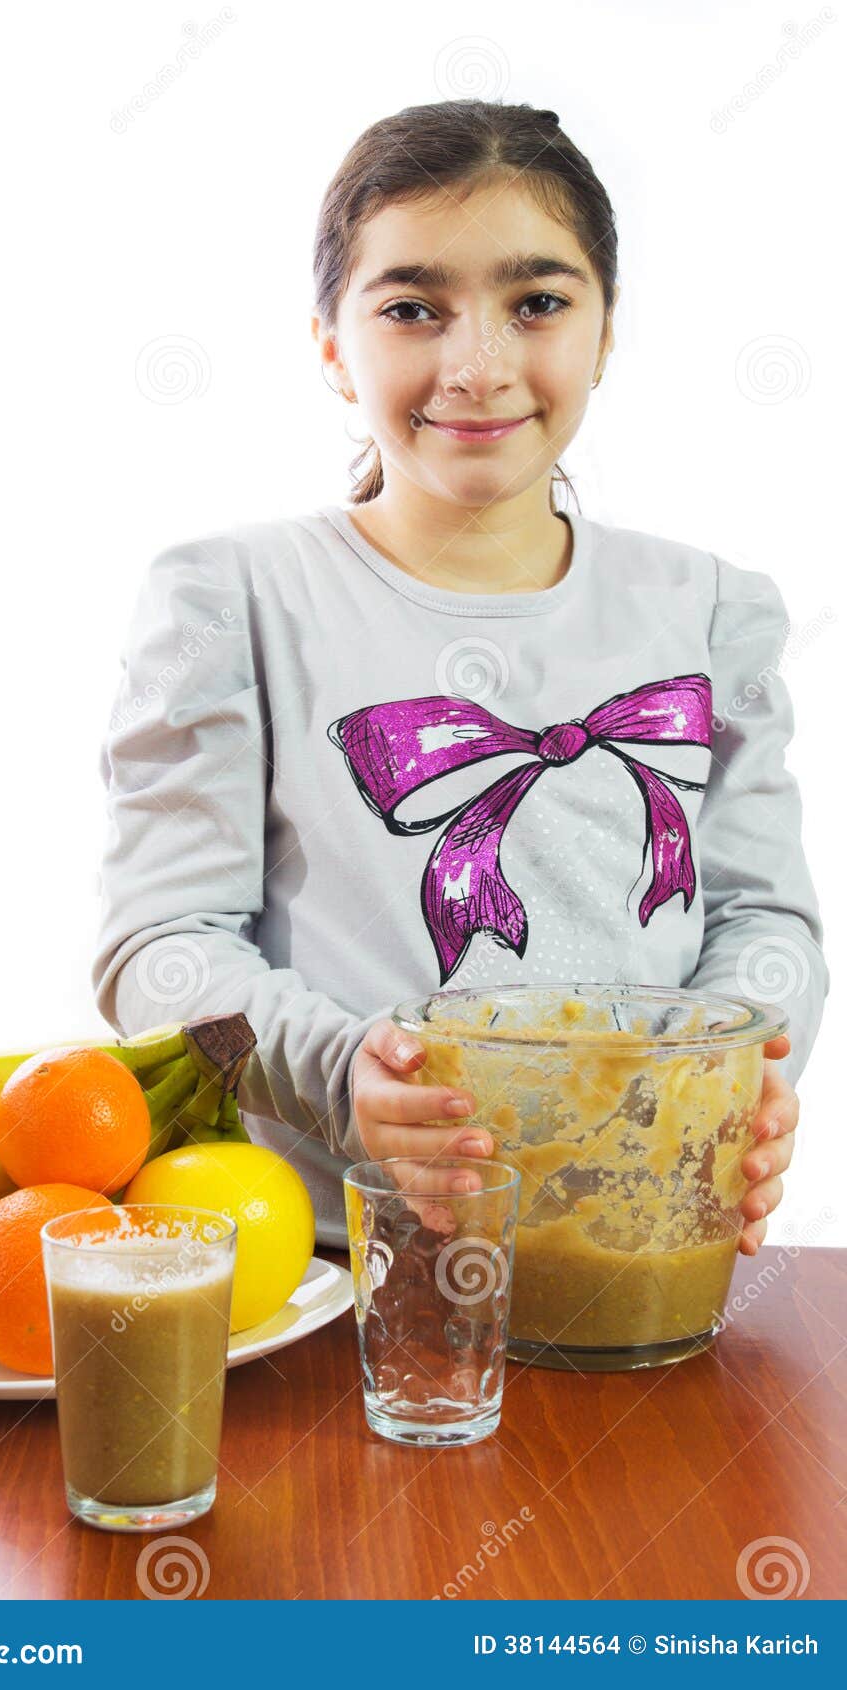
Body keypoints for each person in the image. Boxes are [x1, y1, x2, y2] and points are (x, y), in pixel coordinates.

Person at [91, 99, 827, 1256]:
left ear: (605, 329)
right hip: (326, 1277)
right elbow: (160, 949)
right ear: (332, 344)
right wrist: (346, 1078)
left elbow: (760, 916)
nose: (476, 366)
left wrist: (739, 1071)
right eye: (411, 309)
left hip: (638, 1249)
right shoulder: (231, 599)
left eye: (535, 303)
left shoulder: (712, 607)